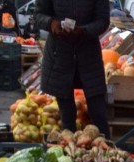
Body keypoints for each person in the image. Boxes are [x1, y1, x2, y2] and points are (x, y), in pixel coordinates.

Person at [34, 0, 110, 137]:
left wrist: (84, 31)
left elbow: (103, 20)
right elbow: (38, 15)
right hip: (59, 56)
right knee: (67, 114)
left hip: (89, 56)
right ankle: (70, 151)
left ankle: (106, 147)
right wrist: (52, 24)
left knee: (98, 112)